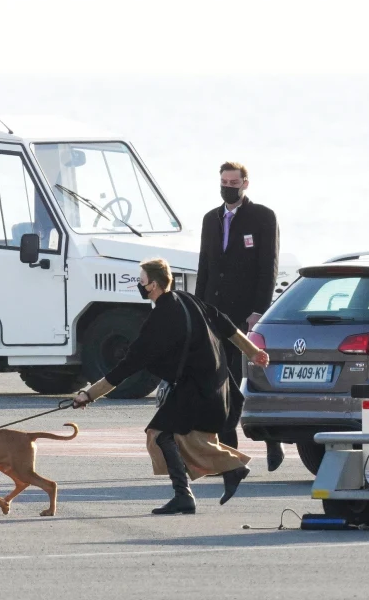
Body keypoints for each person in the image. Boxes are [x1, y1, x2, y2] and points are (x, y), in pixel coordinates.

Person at [72, 258, 270, 515]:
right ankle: (193, 489)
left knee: (161, 433)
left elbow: (127, 366)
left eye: (141, 281)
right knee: (171, 435)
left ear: (153, 285)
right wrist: (253, 352)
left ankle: (218, 475)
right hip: (213, 382)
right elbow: (226, 325)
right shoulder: (188, 299)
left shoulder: (161, 319)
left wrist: (89, 394)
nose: (139, 285)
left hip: (196, 386)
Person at [195, 161, 285, 471]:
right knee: (219, 380)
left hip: (245, 315)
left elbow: (267, 267)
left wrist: (258, 311)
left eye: (233, 181)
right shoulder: (211, 219)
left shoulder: (262, 217)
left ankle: (272, 441)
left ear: (245, 184)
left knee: (248, 379)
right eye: (223, 181)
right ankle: (229, 452)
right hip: (214, 314)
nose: (228, 186)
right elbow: (205, 266)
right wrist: (198, 309)